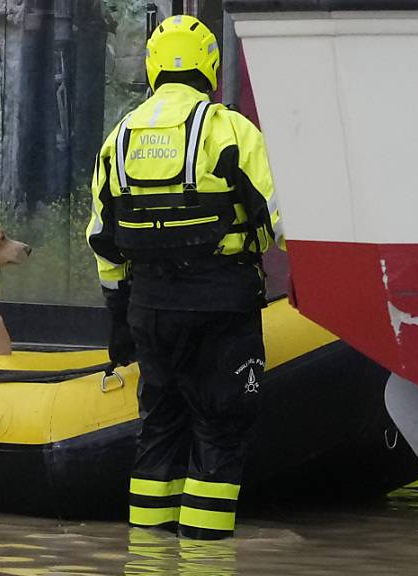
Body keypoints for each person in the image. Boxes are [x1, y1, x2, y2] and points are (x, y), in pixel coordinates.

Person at [85, 15, 284, 540]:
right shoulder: (230, 129)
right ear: (210, 69)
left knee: (158, 431)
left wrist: (117, 319)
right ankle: (206, 562)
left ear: (152, 68)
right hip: (222, 306)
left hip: (149, 309)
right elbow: (277, 220)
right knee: (220, 434)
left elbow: (103, 240)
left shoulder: (119, 139)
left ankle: (147, 560)